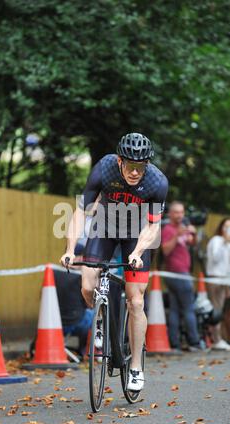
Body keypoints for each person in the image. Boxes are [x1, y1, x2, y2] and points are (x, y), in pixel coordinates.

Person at [61, 133, 168, 392]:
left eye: (140, 167)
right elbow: (80, 212)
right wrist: (68, 249)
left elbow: (154, 228)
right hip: (104, 228)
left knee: (136, 301)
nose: (134, 172)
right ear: (119, 161)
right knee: (87, 285)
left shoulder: (157, 182)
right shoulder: (104, 169)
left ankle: (136, 367)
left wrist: (137, 252)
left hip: (137, 234)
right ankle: (99, 318)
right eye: (130, 165)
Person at [161, 201, 201, 353]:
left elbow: (193, 245)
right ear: (170, 214)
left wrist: (193, 233)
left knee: (175, 310)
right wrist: (177, 235)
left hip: (183, 272)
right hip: (176, 273)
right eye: (176, 212)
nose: (179, 215)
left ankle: (175, 343)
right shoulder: (168, 229)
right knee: (188, 308)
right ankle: (194, 342)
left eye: (182, 212)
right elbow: (165, 250)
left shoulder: (183, 228)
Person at [206, 217, 230, 351]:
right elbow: (215, 258)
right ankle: (216, 339)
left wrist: (228, 284)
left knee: (221, 309)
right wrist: (224, 240)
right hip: (214, 278)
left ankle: (218, 338)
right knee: (216, 309)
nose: (228, 230)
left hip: (224, 280)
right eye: (226, 226)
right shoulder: (216, 241)